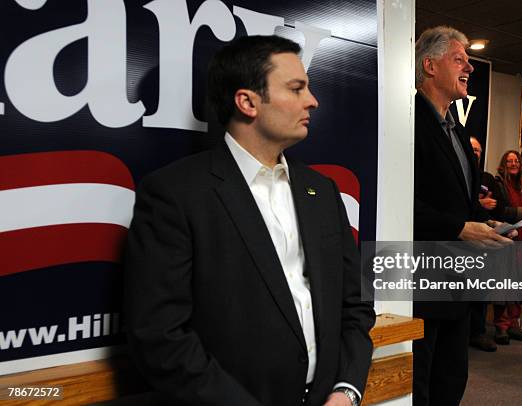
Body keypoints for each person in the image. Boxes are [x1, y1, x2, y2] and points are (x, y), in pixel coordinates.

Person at [124, 35, 375, 406]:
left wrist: (346, 390)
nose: (312, 100)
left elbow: (353, 306)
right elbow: (160, 337)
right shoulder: (175, 194)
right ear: (247, 102)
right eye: (296, 88)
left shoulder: (321, 191)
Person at [413, 26, 513, 406]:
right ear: (430, 65)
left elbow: (460, 201)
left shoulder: (458, 130)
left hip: (460, 280)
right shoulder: (408, 124)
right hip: (423, 279)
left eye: (468, 60)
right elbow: (401, 201)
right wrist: (459, 228)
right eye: (459, 59)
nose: (469, 66)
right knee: (421, 382)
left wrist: (483, 226)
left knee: (452, 378)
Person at [489, 150, 522, 344]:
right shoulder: (498, 184)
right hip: (507, 240)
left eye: (516, 161)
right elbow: (502, 211)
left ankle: (514, 324)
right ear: (503, 164)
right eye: (509, 161)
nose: (513, 164)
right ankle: (500, 326)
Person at [468, 137, 498, 352]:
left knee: (480, 290)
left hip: (484, 239)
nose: (476, 153)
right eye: (472, 149)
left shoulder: (486, 177)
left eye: (479, 150)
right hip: (460, 240)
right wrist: (480, 204)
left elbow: (500, 204)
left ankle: (477, 332)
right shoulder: (460, 173)